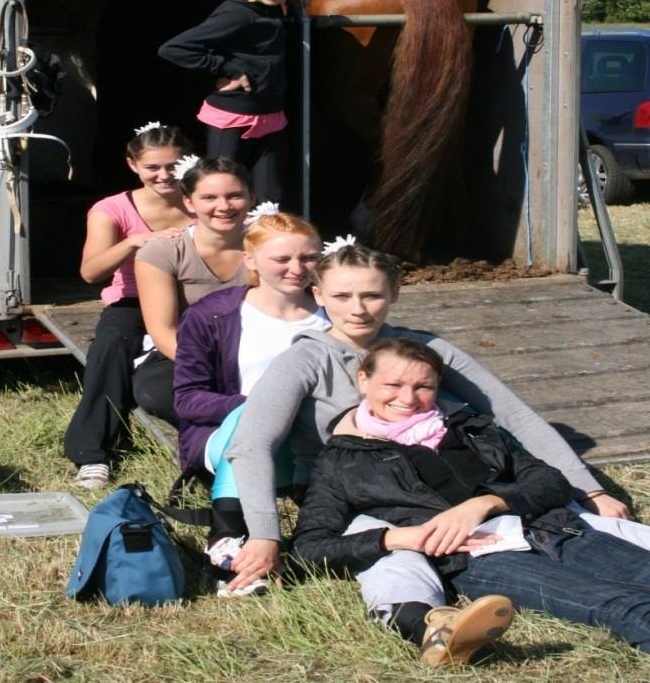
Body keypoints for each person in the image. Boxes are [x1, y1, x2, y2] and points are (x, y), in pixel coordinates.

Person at [223, 241, 648, 593]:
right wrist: (265, 535)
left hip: (449, 478)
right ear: (318, 296)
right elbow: (253, 443)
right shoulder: (304, 359)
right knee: (393, 558)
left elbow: (514, 415)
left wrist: (590, 491)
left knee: (578, 521)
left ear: (394, 294)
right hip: (362, 493)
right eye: (341, 296)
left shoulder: (425, 349)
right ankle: (421, 618)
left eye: (371, 295)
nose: (358, 309)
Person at [293, 337, 650, 664]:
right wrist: (400, 538)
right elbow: (309, 547)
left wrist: (484, 503)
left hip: (556, 530)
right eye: (394, 385)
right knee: (621, 606)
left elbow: (549, 481)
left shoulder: (468, 427)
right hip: (482, 558)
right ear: (363, 380)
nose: (409, 397)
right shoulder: (341, 461)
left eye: (424, 386)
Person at [171, 211, 330, 595]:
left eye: (308, 258)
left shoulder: (335, 314)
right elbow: (187, 399)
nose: (297, 269)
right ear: (251, 260)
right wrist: (262, 407)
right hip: (229, 439)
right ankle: (227, 536)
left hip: (313, 438)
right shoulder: (212, 315)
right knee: (255, 410)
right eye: (282, 259)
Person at [63, 122, 194, 488]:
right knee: (111, 349)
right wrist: (134, 242)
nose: (164, 175)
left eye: (174, 165)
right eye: (153, 167)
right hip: (132, 300)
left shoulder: (204, 201)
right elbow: (90, 272)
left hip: (192, 298)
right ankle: (91, 454)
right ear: (133, 165)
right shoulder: (113, 208)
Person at [158, 0, 305, 204]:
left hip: (270, 114)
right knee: (223, 188)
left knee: (270, 198)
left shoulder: (274, 7)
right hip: (233, 115)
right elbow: (174, 49)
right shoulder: (235, 15)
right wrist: (228, 68)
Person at [132, 155, 253, 425]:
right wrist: (213, 367)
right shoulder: (163, 252)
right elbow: (163, 330)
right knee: (157, 394)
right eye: (209, 198)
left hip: (254, 351)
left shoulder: (269, 246)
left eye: (234, 196)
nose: (223, 206)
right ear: (189, 202)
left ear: (251, 198)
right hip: (184, 356)